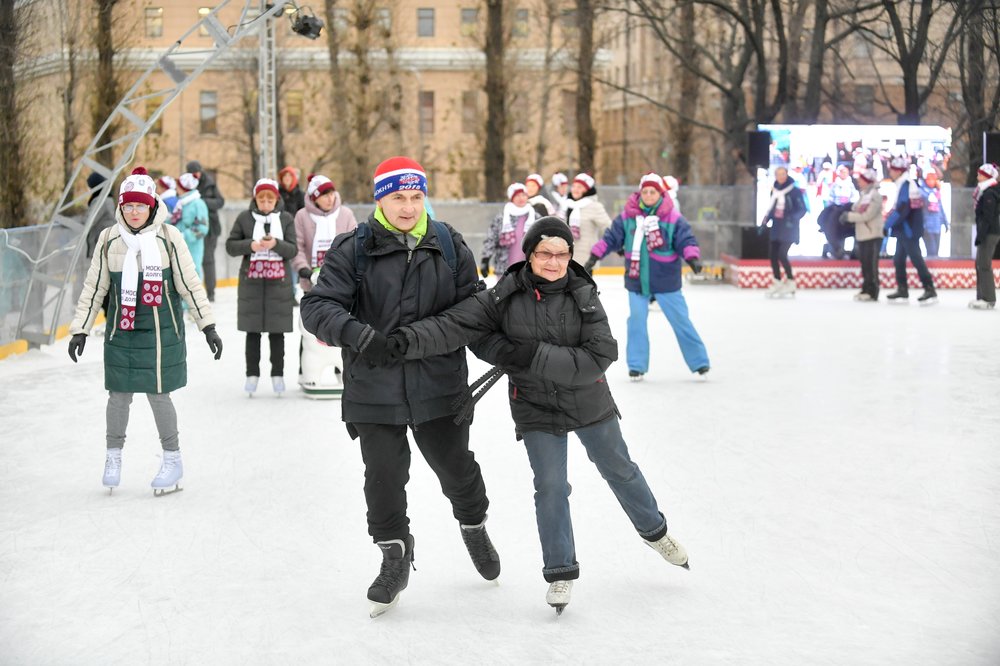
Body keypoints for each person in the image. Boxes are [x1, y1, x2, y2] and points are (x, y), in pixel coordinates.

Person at [386, 217, 690, 614]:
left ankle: (656, 532)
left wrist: (531, 355)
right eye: (545, 252)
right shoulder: (505, 296)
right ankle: (560, 570)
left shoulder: (583, 293)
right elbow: (461, 326)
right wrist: (405, 341)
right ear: (529, 254)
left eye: (562, 253)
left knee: (620, 469)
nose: (554, 261)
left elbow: (600, 356)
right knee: (550, 486)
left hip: (588, 402)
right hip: (534, 405)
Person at [300, 156, 500, 617]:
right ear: (380, 199)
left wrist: (512, 351)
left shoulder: (449, 245)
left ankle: (473, 524)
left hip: (439, 385)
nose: (408, 207)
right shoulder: (354, 249)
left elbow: (473, 313)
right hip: (373, 387)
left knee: (456, 469)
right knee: (384, 477)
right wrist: (359, 335)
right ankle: (394, 553)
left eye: (415, 197)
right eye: (397, 197)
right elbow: (317, 306)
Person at [67, 167, 223, 495]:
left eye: (140, 205)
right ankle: (113, 456)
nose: (134, 212)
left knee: (158, 394)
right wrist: (80, 328)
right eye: (128, 206)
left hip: (160, 331)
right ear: (121, 207)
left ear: (151, 206)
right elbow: (94, 287)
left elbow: (189, 284)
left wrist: (207, 325)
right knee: (118, 395)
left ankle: (172, 458)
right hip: (121, 331)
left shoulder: (169, 237)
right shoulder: (109, 239)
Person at [584, 173, 709, 379]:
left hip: (666, 279)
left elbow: (686, 240)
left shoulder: (672, 217)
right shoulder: (628, 217)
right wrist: (594, 256)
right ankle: (637, 365)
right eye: (645, 191)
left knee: (681, 321)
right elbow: (611, 238)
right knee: (636, 322)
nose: (649, 195)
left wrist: (692, 258)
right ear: (640, 193)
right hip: (637, 281)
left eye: (653, 192)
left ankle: (700, 362)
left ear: (660, 194)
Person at [225, 178, 297, 395]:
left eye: (270, 199)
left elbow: (293, 250)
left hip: (279, 285)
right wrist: (251, 245)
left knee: (277, 333)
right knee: (252, 332)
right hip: (251, 285)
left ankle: (278, 374)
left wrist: (276, 244)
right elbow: (230, 246)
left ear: (277, 199)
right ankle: (252, 374)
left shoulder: (285, 219)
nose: (266, 203)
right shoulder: (244, 219)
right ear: (255, 199)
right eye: (261, 198)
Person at [884, 156, 937, 304]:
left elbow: (902, 209)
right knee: (898, 259)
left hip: (909, 231)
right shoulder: (903, 184)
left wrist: (887, 225)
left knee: (916, 259)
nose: (890, 172)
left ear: (898, 171)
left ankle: (929, 288)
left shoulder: (907, 185)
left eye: (892, 170)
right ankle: (902, 289)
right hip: (905, 229)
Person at [292, 174, 358, 292]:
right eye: (325, 195)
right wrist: (305, 271)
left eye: (332, 194)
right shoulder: (302, 216)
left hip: (343, 280)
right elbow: (298, 247)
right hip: (311, 281)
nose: (330, 199)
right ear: (315, 198)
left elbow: (355, 243)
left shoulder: (345, 214)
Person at [759, 166, 806, 297]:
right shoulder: (774, 191)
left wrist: (791, 218)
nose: (781, 176)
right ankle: (777, 281)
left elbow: (802, 209)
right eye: (778, 174)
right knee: (773, 255)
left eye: (783, 174)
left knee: (782, 254)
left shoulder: (795, 191)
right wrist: (766, 219)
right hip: (777, 226)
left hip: (789, 227)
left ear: (787, 174)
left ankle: (790, 281)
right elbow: (772, 207)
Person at [840, 168, 883, 301]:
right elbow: (856, 208)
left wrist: (849, 216)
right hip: (863, 234)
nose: (858, 183)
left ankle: (873, 290)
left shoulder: (875, 195)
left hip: (872, 234)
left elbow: (867, 215)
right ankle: (865, 288)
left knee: (871, 264)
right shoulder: (864, 194)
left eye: (861, 180)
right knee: (864, 263)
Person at [185, 160, 225, 302]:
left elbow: (220, 202)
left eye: (197, 172)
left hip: (210, 228)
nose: (195, 175)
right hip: (192, 227)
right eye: (192, 173)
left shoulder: (209, 184)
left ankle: (211, 292)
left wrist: (202, 202)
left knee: (208, 260)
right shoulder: (187, 185)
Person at [480, 183, 536, 278]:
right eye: (517, 195)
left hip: (528, 268)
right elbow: (491, 239)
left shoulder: (535, 217)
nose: (521, 198)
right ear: (512, 198)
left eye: (523, 195)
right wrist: (485, 258)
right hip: (504, 267)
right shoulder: (502, 218)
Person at [564, 173, 612, 264]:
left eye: (580, 187)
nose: (575, 190)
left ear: (587, 190)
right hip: (566, 256)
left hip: (586, 258)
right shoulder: (566, 205)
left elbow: (608, 227)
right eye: (574, 186)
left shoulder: (594, 206)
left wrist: (616, 244)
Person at [970, 163, 1000, 309]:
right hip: (986, 232)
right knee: (979, 264)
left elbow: (988, 217)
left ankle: (988, 299)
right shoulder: (985, 191)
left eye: (980, 174)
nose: (977, 176)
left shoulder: (990, 193)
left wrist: (981, 235)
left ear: (986, 176)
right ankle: (981, 297)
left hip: (989, 233)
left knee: (984, 264)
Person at [173, 173, 209, 281]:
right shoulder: (181, 203)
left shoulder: (198, 204)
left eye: (178, 185)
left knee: (191, 274)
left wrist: (184, 236)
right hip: (177, 245)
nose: (176, 188)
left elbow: (202, 228)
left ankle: (193, 298)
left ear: (184, 188)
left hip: (192, 247)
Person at [84, 171, 117, 259]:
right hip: (106, 241)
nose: (89, 189)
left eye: (90, 186)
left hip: (100, 243)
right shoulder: (108, 198)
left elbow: (90, 220)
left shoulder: (100, 200)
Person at [920, 171, 949, 258]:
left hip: (937, 225)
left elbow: (941, 208)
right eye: (930, 179)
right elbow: (926, 201)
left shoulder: (937, 192)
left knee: (936, 251)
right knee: (931, 250)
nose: (932, 182)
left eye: (934, 179)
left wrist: (945, 222)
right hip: (927, 226)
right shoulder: (922, 191)